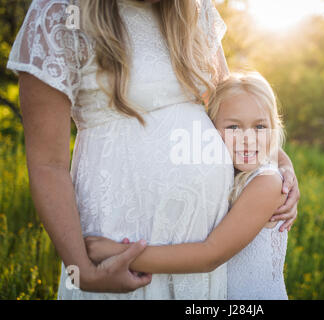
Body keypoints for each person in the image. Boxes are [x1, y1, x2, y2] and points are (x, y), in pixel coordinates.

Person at [6, 0, 300, 299]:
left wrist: (282, 167)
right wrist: (81, 268)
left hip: (201, 250)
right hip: (117, 239)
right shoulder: (59, 13)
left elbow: (234, 106)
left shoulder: (191, 9)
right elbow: (47, 164)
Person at [85, 72, 290, 300]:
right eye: (234, 127)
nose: (248, 138)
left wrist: (117, 253)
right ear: (210, 129)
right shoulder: (232, 174)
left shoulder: (266, 183)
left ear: (273, 128)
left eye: (260, 127)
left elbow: (210, 255)